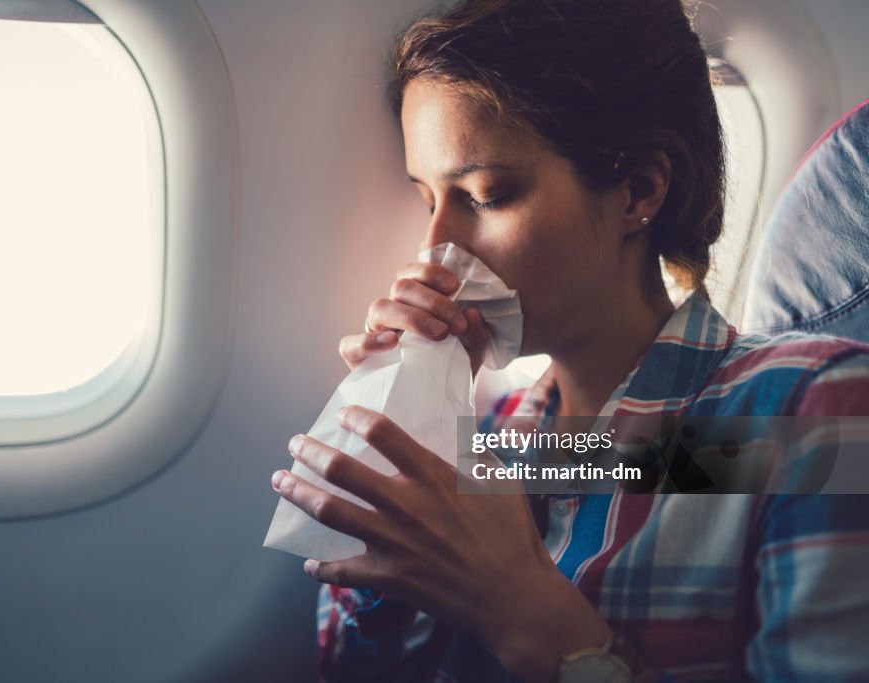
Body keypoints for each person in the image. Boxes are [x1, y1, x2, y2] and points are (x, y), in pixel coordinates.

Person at [268, 0, 869, 680]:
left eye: (488, 195)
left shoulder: (811, 415)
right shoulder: (484, 440)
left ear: (638, 190)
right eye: (427, 199)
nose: (433, 250)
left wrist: (520, 606)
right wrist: (409, 414)